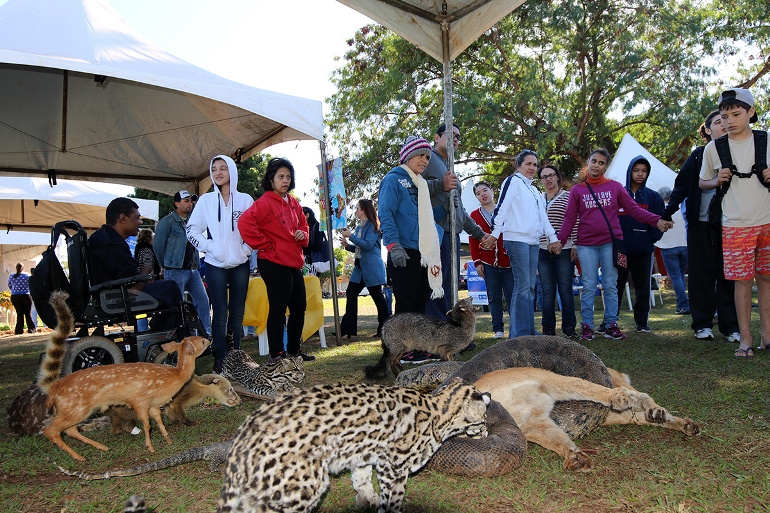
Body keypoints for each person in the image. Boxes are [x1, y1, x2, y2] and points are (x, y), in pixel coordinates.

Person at [557, 149, 672, 342]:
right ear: (588, 161)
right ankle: (587, 326)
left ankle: (611, 324)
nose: (596, 165)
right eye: (594, 161)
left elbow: (634, 210)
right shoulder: (578, 190)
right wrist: (560, 241)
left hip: (611, 243)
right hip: (586, 244)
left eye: (601, 163)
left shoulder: (615, 187)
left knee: (611, 284)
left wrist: (657, 221)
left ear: (605, 166)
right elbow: (570, 218)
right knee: (590, 284)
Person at [699, 88, 770, 357]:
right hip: (735, 224)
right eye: (725, 116)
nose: (729, 121)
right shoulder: (713, 148)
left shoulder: (766, 140)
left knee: (766, 278)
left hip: (767, 220)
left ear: (751, 113)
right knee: (741, 281)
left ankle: (767, 336)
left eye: (736, 114)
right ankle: (746, 340)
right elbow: (702, 182)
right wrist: (717, 180)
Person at [661, 111, 738, 342]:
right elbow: (681, 187)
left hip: (730, 225)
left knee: (728, 275)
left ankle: (731, 327)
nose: (723, 125)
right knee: (700, 275)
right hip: (700, 225)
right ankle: (702, 324)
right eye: (717, 122)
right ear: (707, 130)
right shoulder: (698, 156)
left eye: (725, 121)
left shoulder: (738, 153)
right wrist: (666, 214)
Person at [239, 157, 315, 363]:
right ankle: (276, 354)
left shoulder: (293, 202)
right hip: (273, 261)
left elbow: (304, 226)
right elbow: (245, 223)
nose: (285, 181)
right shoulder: (264, 202)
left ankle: (293, 351)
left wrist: (302, 235)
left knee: (299, 307)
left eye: (288, 177)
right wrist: (264, 244)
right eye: (280, 176)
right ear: (271, 179)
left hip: (293, 262)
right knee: (278, 308)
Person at [484, 150, 562, 338]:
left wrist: (553, 238)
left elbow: (543, 216)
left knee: (530, 287)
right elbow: (501, 208)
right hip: (516, 239)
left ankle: (528, 331)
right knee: (522, 285)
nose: (532, 168)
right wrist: (495, 233)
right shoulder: (513, 181)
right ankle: (518, 334)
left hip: (533, 242)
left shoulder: (534, 190)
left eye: (535, 165)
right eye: (528, 164)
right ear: (518, 166)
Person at [187, 155, 254, 373]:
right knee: (219, 310)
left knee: (237, 311)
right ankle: (221, 357)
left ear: (232, 171)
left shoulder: (245, 200)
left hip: (240, 263)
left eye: (223, 168)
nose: (218, 173)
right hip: (214, 263)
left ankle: (236, 357)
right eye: (214, 169)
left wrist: (245, 250)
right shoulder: (206, 201)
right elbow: (192, 230)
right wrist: (210, 246)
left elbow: (255, 230)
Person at [422, 122, 490, 319]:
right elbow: (413, 185)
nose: (455, 139)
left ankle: (451, 331)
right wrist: (438, 185)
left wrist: (479, 233)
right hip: (437, 231)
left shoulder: (448, 166)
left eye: (458, 137)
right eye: (451, 134)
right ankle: (438, 333)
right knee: (438, 284)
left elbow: (458, 209)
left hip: (452, 234)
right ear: (436, 137)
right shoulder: (427, 158)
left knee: (451, 284)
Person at [88, 197, 183, 331]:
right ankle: (173, 337)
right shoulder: (112, 243)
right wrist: (145, 271)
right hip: (116, 297)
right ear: (123, 219)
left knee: (164, 288)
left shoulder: (102, 237)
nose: (141, 221)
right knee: (170, 288)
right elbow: (134, 286)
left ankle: (160, 331)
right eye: (137, 217)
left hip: (108, 293)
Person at [378, 136, 444, 314]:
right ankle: (399, 343)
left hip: (424, 253)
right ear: (408, 156)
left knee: (421, 305)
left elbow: (425, 216)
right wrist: (393, 245)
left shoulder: (420, 184)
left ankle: (415, 343)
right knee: (406, 306)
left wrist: (446, 206)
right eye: (420, 155)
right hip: (403, 250)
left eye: (428, 157)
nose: (424, 160)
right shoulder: (393, 179)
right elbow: (386, 213)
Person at [615, 156, 665, 334]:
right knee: (617, 285)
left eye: (644, 171)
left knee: (643, 286)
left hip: (643, 251)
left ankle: (642, 322)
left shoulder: (653, 197)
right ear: (630, 171)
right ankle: (611, 322)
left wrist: (650, 238)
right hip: (621, 250)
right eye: (636, 170)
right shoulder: (619, 194)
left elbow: (661, 221)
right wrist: (616, 242)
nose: (640, 174)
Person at [154, 190, 211, 338]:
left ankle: (205, 336)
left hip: (193, 269)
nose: (190, 203)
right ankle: (178, 337)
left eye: (191, 201)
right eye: (186, 201)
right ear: (177, 203)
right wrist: (165, 265)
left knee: (203, 302)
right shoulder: (167, 222)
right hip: (174, 269)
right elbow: (158, 246)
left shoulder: (192, 221)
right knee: (176, 306)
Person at [536, 165, 579, 338]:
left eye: (551, 175)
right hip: (542, 249)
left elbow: (575, 220)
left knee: (565, 289)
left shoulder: (568, 197)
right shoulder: (537, 199)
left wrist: (575, 244)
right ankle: (548, 328)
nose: (548, 179)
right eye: (544, 176)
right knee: (547, 290)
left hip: (564, 247)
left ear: (557, 177)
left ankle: (569, 328)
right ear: (540, 180)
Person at [338, 199, 389, 338]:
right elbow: (359, 247)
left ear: (364, 210)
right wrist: (347, 245)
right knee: (351, 294)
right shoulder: (359, 227)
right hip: (360, 268)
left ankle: (384, 329)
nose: (356, 211)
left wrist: (351, 237)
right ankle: (347, 329)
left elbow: (368, 245)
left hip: (371, 267)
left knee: (378, 297)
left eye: (358, 208)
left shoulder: (372, 226)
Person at [469, 181, 513, 339]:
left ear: (492, 191)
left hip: (508, 261)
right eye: (478, 193)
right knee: (494, 297)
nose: (483, 194)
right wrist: (477, 262)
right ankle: (498, 329)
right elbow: (473, 240)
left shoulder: (505, 210)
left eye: (485, 190)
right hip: (488, 262)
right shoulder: (474, 215)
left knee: (511, 296)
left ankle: (514, 327)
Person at [656, 186, 690, 316]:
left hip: (669, 247)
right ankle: (682, 302)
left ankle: (683, 304)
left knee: (675, 276)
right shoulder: (680, 208)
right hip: (684, 245)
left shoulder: (661, 211)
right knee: (680, 275)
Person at [8, 263, 36, 334]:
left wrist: (15, 290)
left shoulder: (12, 276)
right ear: (23, 268)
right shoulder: (27, 275)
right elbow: (31, 284)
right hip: (25, 295)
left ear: (16, 268)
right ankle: (31, 329)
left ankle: (19, 331)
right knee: (27, 313)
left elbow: (9, 285)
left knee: (19, 314)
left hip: (15, 296)